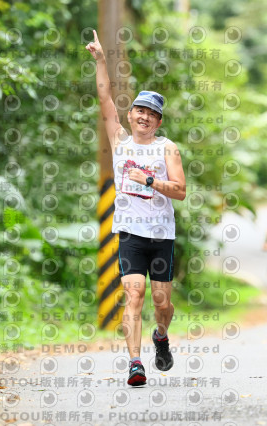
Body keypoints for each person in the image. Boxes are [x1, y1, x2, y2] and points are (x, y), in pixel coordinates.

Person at [86, 30, 186, 386]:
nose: (144, 117)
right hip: (130, 233)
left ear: (158, 122)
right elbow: (104, 98)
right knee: (134, 295)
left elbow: (180, 191)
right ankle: (134, 363)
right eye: (140, 111)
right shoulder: (119, 141)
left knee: (161, 303)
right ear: (130, 115)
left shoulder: (167, 148)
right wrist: (101, 60)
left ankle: (161, 335)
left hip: (161, 235)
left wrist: (150, 181)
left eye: (151, 114)